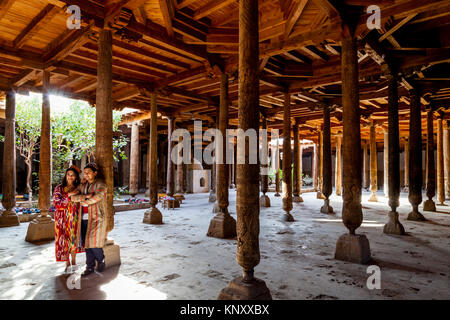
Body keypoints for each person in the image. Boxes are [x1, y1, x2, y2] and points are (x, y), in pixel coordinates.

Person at [71, 162, 108, 276]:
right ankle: (89, 267)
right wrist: (85, 197)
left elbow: (98, 196)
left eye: (88, 173)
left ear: (95, 173)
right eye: (85, 173)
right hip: (83, 218)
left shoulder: (101, 184)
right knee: (87, 244)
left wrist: (83, 201)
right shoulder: (84, 185)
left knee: (93, 242)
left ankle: (101, 259)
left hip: (97, 217)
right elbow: (72, 197)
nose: (86, 175)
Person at [53, 166, 83, 273]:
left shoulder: (79, 188)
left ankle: (74, 262)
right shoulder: (59, 188)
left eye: (72, 175)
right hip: (62, 219)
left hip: (74, 217)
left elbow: (83, 199)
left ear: (75, 177)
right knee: (64, 239)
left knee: (73, 239)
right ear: (66, 176)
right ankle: (67, 263)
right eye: (68, 174)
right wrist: (69, 194)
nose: (70, 177)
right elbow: (57, 203)